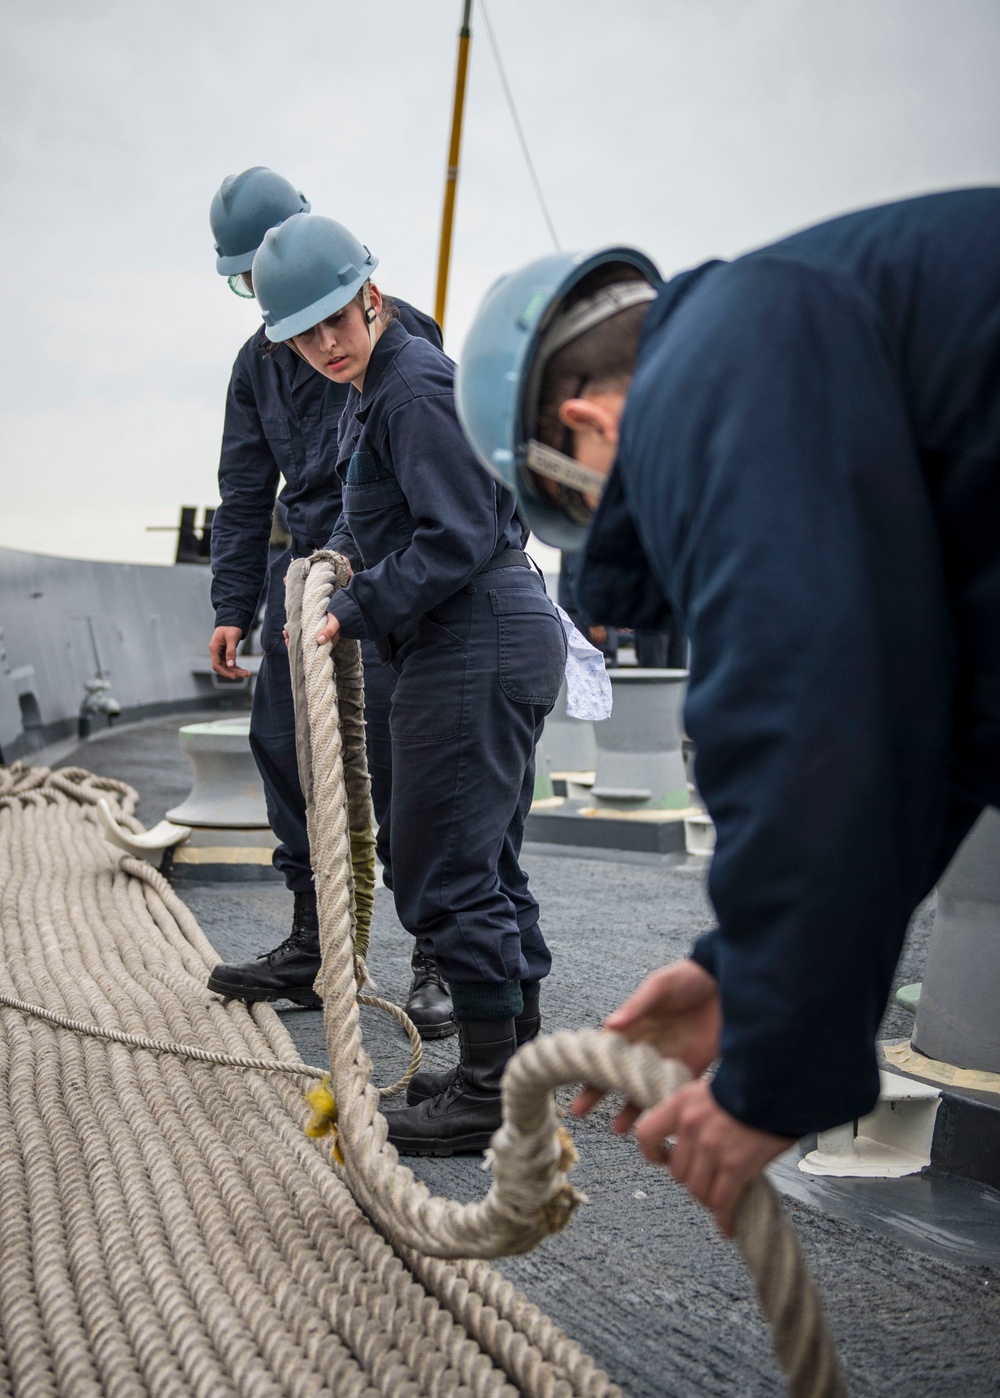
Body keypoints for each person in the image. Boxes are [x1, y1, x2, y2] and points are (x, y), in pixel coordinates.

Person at [455, 188, 1000, 1232]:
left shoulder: (715, 363)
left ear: (585, 424)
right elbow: (934, 741)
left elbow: (803, 698)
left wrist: (774, 1069)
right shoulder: (789, 339)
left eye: (576, 509)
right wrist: (744, 980)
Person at [251, 212, 567, 1155]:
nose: (324, 344)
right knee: (482, 863)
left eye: (336, 321)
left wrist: (352, 608)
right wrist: (337, 562)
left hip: (474, 638)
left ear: (371, 298)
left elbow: (459, 533)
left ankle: (480, 1097)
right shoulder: (375, 392)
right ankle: (507, 1069)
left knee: (441, 864)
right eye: (305, 335)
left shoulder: (410, 386)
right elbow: (395, 517)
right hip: (476, 638)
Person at [203, 167, 454, 1039]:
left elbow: (419, 473)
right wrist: (232, 603)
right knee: (282, 748)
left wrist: (354, 574)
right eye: (246, 283)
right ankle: (316, 947)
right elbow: (243, 491)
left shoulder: (397, 338)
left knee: (406, 772)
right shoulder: (257, 364)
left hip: (389, 583)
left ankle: (441, 960)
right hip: (302, 586)